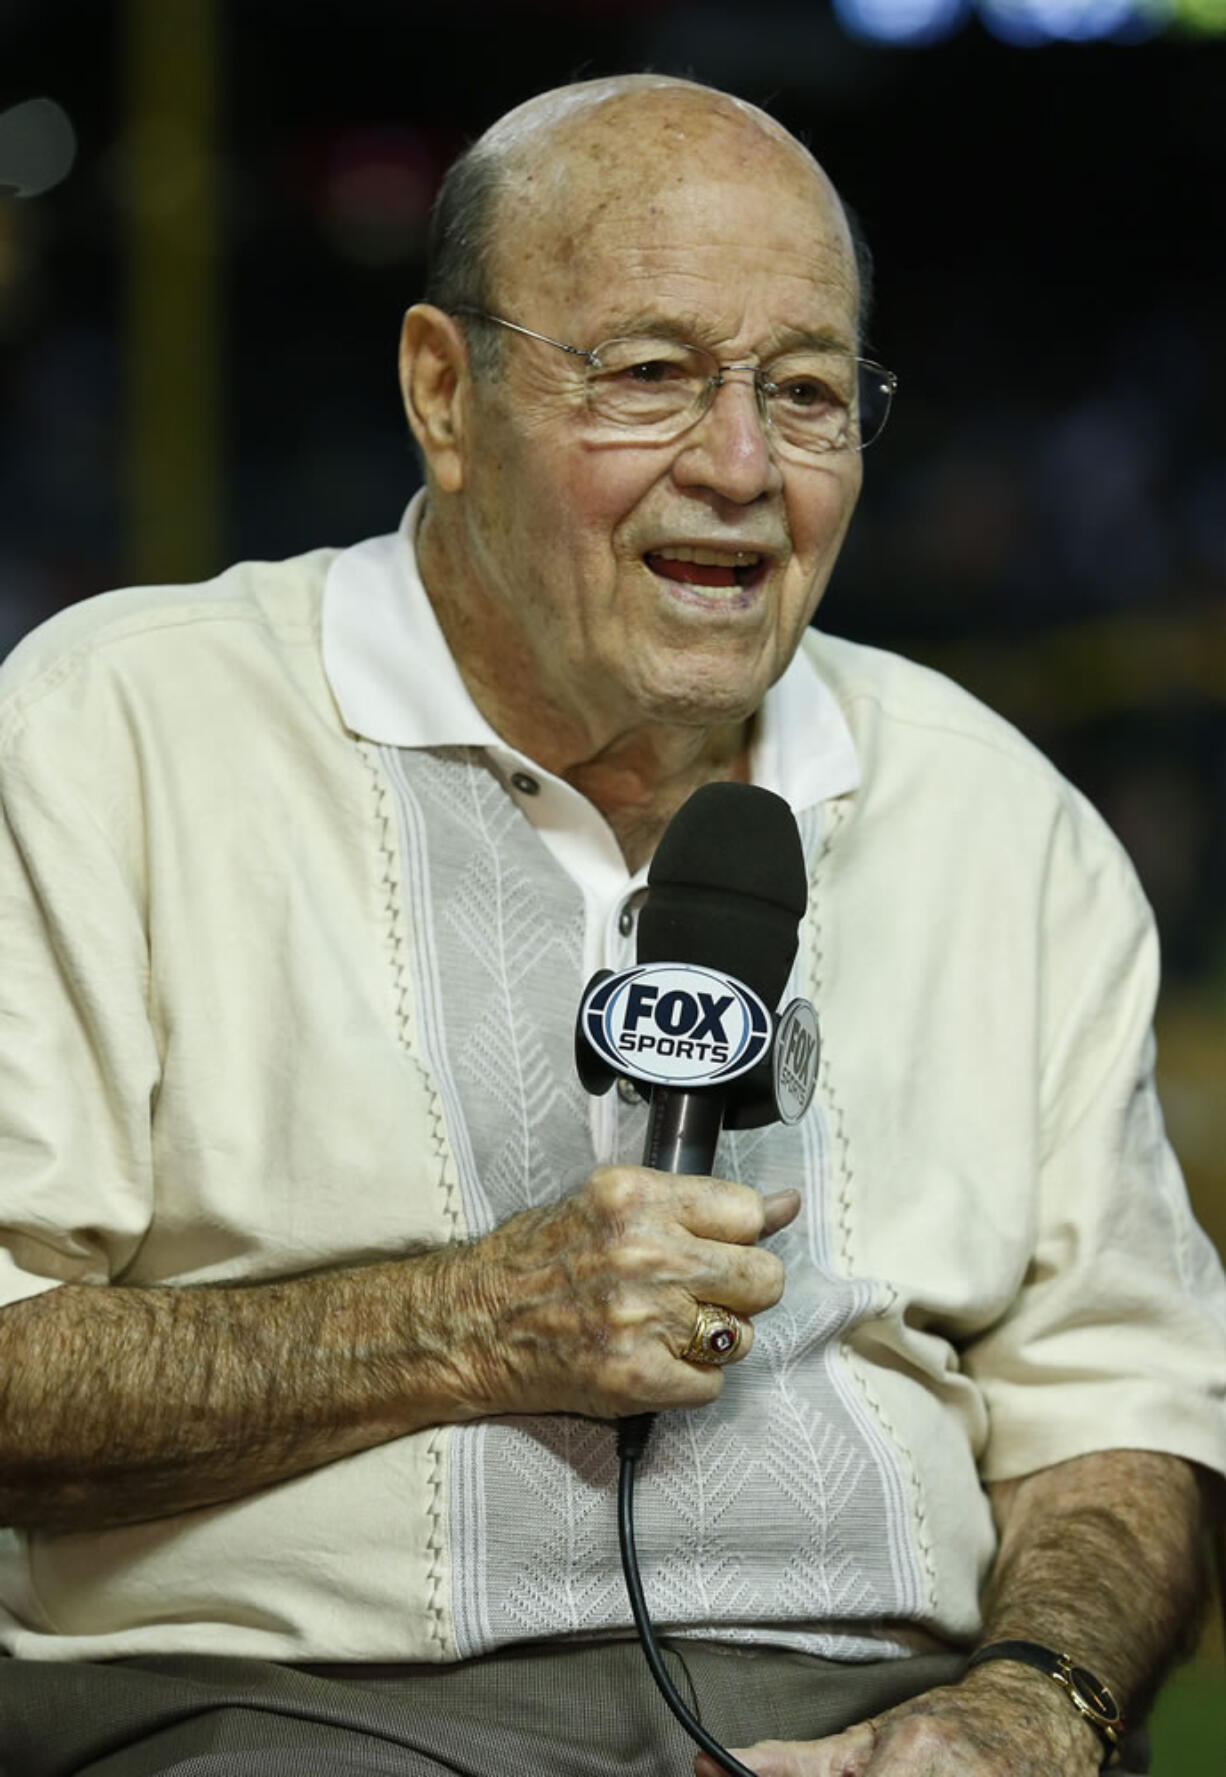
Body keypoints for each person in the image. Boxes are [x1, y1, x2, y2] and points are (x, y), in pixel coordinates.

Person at [0, 73, 1222, 1777]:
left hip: (877, 1722)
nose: (738, 468)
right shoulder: (110, 730)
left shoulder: (1000, 818)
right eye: (650, 374)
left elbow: (1126, 1405)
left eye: (803, 395)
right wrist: (463, 1321)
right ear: (446, 391)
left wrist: (1029, 1705)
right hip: (288, 1711)